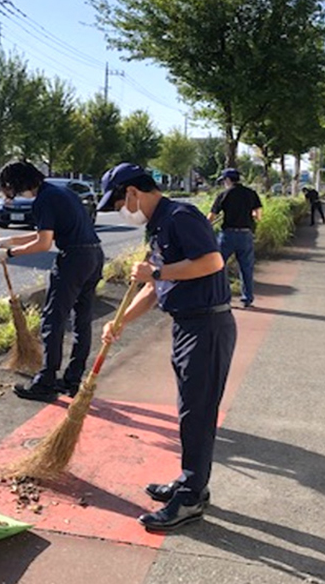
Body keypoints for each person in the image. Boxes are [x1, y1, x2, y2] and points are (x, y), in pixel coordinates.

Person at [96, 163, 237, 532]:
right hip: (189, 325)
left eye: (117, 204)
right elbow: (152, 289)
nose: (120, 212)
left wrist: (156, 273)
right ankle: (192, 482)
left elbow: (212, 261)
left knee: (198, 412)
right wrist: (121, 321)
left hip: (207, 325)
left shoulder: (180, 216)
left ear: (132, 193)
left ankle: (190, 497)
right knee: (189, 409)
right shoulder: (159, 225)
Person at [0, 161, 104, 402]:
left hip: (73, 259)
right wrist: (7, 241)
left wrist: (7, 255)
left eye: (10, 188)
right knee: (81, 319)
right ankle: (72, 379)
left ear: (17, 183)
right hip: (94, 255)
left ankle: (46, 380)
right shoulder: (62, 193)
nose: (13, 194)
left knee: (53, 319)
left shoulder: (44, 200)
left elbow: (43, 244)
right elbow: (47, 233)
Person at [207, 168, 262, 308]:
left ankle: (221, 298)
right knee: (246, 268)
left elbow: (211, 217)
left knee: (218, 266)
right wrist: (252, 216)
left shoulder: (224, 195)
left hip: (227, 236)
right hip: (245, 234)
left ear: (227, 180)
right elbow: (258, 215)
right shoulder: (251, 193)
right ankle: (247, 299)